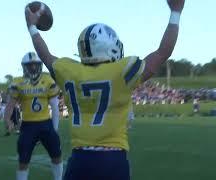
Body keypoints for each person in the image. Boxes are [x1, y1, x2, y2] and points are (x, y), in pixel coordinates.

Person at [24, 0, 185, 179]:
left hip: (79, 160)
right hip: (112, 159)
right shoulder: (122, 71)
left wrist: (32, 27)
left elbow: (44, 55)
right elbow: (163, 52)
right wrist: (175, 13)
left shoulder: (68, 71)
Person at [4, 52, 63, 180]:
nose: (33, 68)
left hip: (45, 123)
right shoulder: (18, 82)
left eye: (35, 65)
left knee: (56, 155)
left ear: (39, 66)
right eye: (30, 65)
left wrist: (55, 128)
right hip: (28, 125)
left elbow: (54, 106)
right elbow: (10, 104)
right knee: (23, 160)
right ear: (24, 66)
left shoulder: (47, 80)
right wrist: (7, 119)